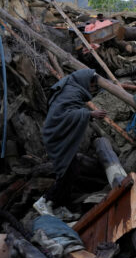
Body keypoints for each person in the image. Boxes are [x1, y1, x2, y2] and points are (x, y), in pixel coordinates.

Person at [33, 69, 106, 216]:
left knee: (71, 171)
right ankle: (43, 201)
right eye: (91, 86)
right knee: (65, 173)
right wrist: (89, 113)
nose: (91, 90)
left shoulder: (74, 91)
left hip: (61, 138)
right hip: (56, 137)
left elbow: (70, 110)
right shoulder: (70, 93)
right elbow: (63, 115)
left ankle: (59, 206)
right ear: (85, 82)